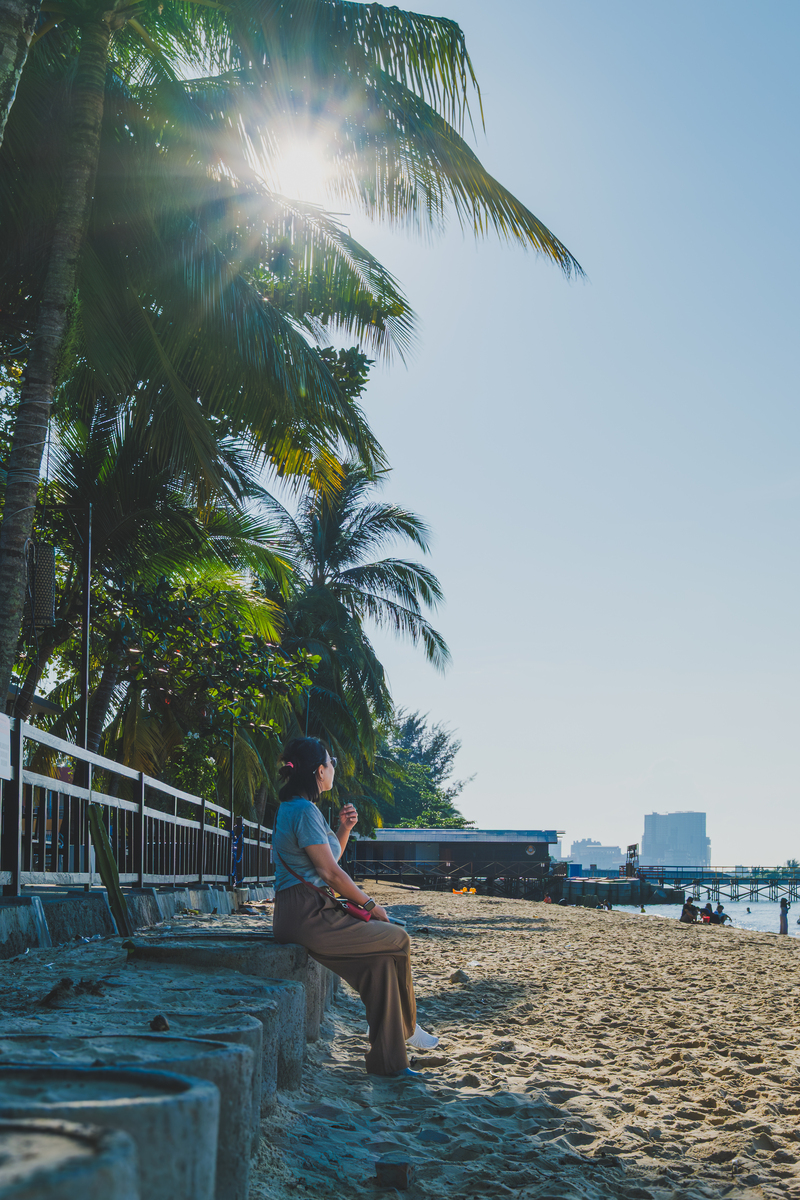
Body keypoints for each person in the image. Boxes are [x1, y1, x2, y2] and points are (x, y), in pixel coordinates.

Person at [271, 737, 435, 1078]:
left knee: (381, 967)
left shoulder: (298, 808)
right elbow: (330, 872)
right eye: (331, 764)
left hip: (307, 909)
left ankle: (390, 1063)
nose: (334, 770)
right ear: (319, 771)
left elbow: (329, 862)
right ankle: (407, 1028)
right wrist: (370, 904)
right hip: (307, 915)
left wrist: (343, 829)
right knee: (399, 938)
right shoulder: (302, 810)